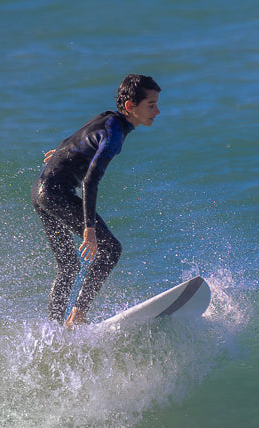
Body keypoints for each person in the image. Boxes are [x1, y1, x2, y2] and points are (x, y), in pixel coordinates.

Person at [31, 74, 161, 326]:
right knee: (111, 249)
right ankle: (77, 317)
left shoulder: (106, 117)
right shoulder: (114, 136)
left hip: (40, 192)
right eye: (151, 105)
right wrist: (89, 227)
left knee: (68, 266)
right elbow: (91, 180)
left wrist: (59, 153)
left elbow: (73, 138)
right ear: (130, 107)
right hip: (56, 193)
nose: (157, 111)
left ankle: (55, 329)